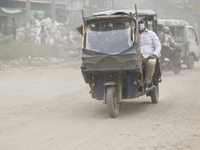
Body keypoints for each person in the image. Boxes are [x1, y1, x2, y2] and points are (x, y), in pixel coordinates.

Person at [138, 19, 161, 91]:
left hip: (149, 56)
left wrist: (154, 55)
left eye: (141, 22)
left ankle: (147, 83)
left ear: (144, 23)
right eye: (138, 23)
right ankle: (137, 82)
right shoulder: (133, 34)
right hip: (137, 57)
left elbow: (158, 46)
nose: (140, 24)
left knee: (151, 63)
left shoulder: (151, 34)